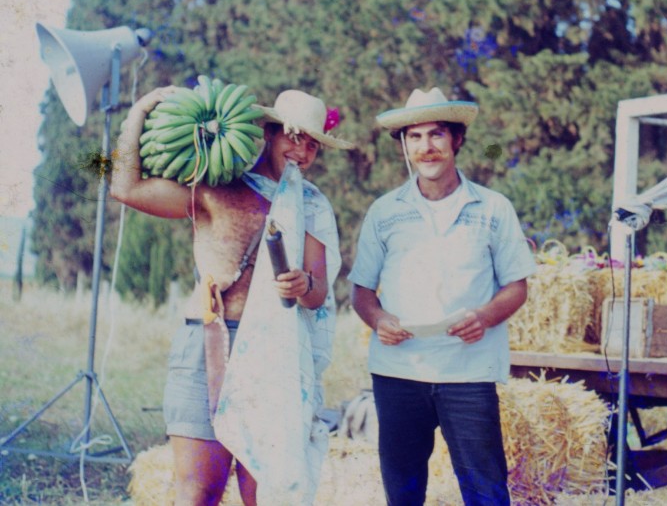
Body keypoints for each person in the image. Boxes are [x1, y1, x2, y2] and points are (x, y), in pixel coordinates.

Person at [111, 88, 354, 505]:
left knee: (265, 490)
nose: (302, 151)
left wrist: (302, 285)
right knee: (197, 492)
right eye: (294, 137)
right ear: (270, 134)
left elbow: (317, 294)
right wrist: (138, 112)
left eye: (312, 145)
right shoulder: (217, 188)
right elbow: (127, 189)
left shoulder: (312, 206)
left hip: (276, 352)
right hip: (207, 343)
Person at [348, 87, 537, 505]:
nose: (426, 147)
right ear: (403, 146)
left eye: (436, 135)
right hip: (399, 371)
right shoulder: (385, 211)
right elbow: (361, 291)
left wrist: (485, 317)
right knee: (404, 492)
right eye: (414, 137)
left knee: (486, 491)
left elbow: (517, 286)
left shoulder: (492, 207)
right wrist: (379, 320)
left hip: (468, 372)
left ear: (457, 140)